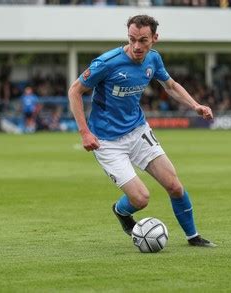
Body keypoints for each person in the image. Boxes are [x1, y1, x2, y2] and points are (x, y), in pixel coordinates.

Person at [68, 15, 216, 247]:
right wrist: (84, 132)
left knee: (175, 186)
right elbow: (75, 90)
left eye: (143, 40)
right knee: (141, 198)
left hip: (138, 131)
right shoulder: (107, 63)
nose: (137, 46)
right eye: (132, 39)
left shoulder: (153, 60)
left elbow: (171, 85)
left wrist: (195, 105)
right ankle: (121, 210)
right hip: (107, 141)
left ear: (154, 38)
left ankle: (193, 237)